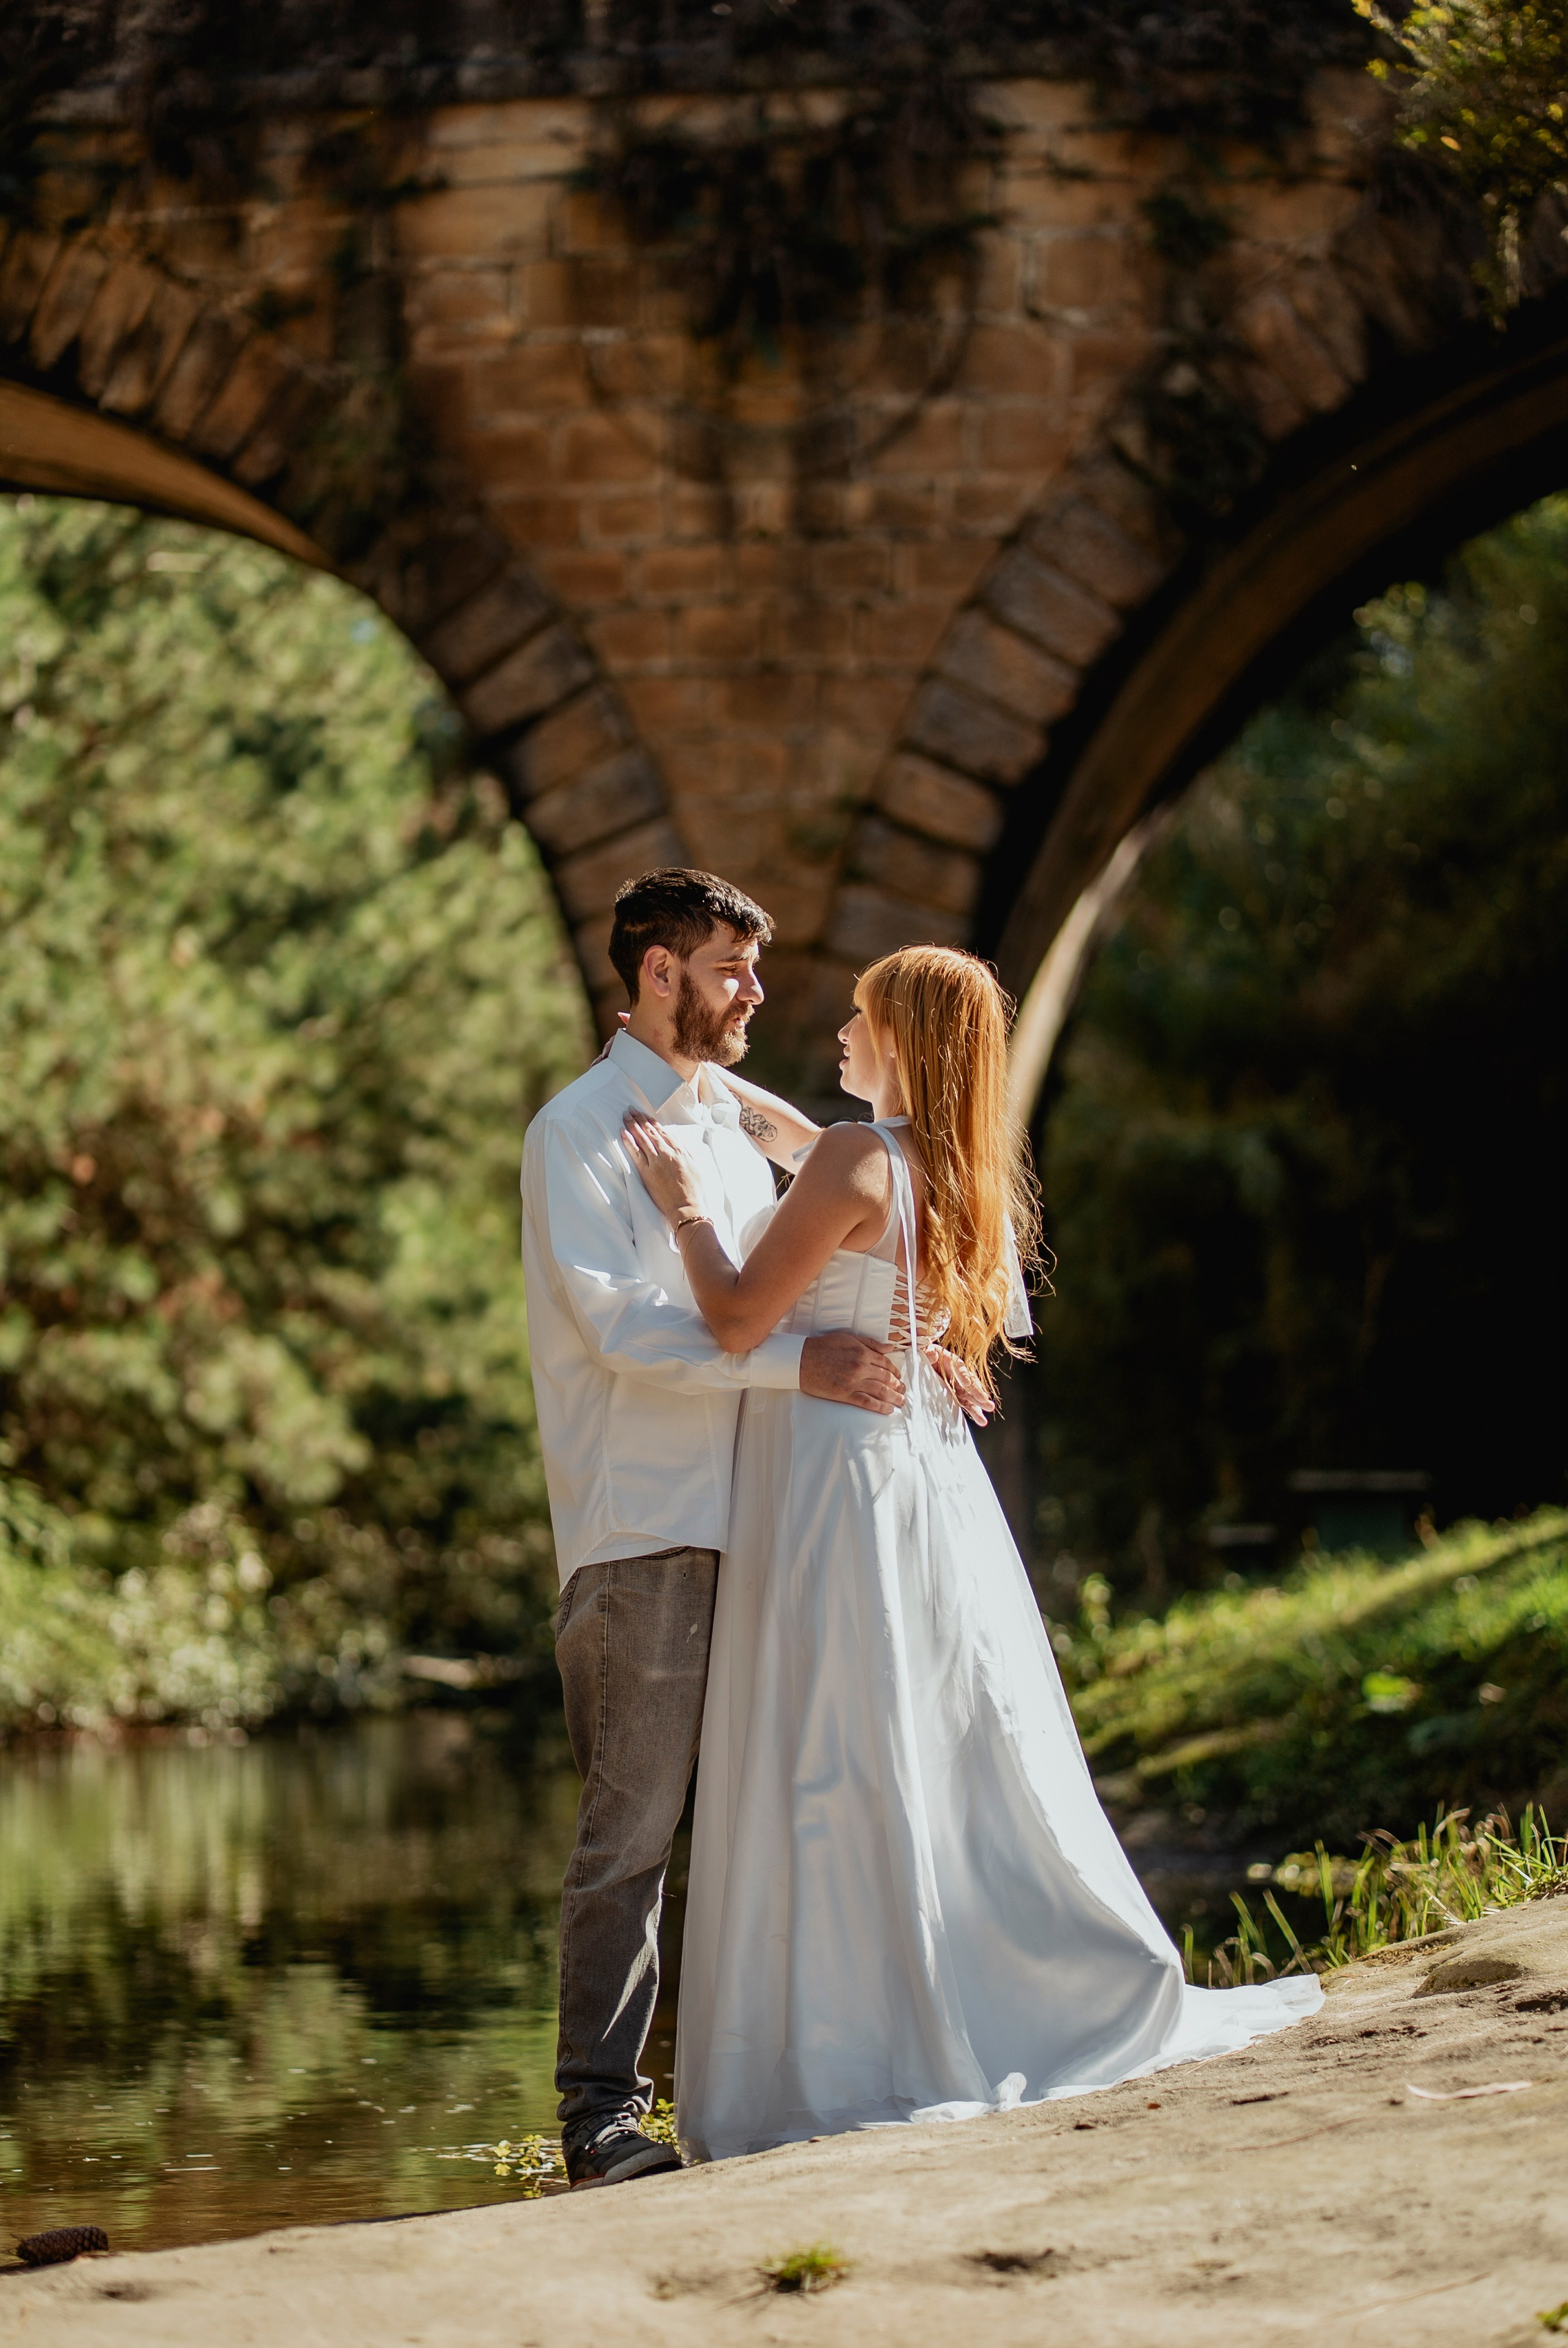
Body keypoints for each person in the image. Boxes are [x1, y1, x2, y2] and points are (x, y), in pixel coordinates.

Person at [620, 943, 1322, 2162]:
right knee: (920, 1740)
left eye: (856, 1015)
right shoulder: (948, 1168)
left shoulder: (854, 1157)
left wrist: (682, 1200)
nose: (838, 1031)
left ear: (896, 1033)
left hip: (833, 1478)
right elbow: (854, 1209)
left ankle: (851, 2042)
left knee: (832, 1742)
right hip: (922, 1479)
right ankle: (953, 2002)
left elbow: (738, 1316)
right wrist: (781, 1126)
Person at [519, 867, 909, 2190]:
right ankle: (599, 2124)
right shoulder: (573, 1131)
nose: (753, 992)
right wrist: (795, 1368)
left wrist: (916, 1344)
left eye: (752, 968)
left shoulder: (727, 1129)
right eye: (728, 968)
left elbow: (797, 1271)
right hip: (645, 1527)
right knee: (631, 1837)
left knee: (760, 1815)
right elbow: (623, 1328)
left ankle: (765, 2080)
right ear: (655, 971)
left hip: (764, 1519)